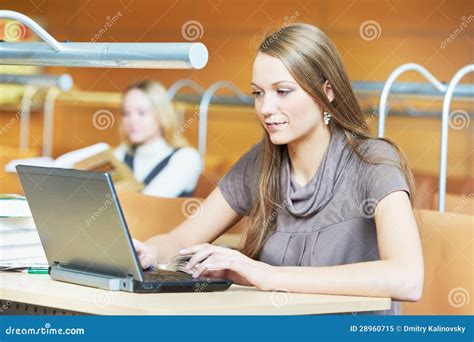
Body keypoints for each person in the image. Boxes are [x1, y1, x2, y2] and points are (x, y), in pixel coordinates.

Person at [133, 24, 424, 315]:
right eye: (258, 93)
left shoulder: (372, 162)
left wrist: (267, 275)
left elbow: (407, 279)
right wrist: (148, 252)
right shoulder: (261, 162)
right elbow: (181, 240)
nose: (266, 108)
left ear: (328, 91)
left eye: (283, 91)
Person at [114, 80, 202, 197]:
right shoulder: (122, 152)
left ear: (161, 116)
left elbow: (147, 204)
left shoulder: (187, 158)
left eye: (141, 113)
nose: (132, 120)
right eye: (126, 113)